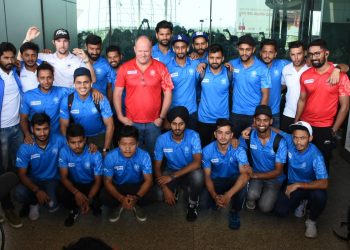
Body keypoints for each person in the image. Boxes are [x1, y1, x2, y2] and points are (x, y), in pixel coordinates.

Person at [295, 39, 350, 171]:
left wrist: (335, 129)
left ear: (326, 53)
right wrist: (297, 122)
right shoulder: (305, 75)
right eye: (311, 54)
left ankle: (319, 190)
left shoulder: (340, 76)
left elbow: (345, 106)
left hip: (326, 127)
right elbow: (302, 100)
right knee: (304, 161)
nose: (314, 57)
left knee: (322, 164)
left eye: (317, 53)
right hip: (306, 125)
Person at [114, 35, 173, 157]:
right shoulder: (125, 68)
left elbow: (168, 93)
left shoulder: (161, 67)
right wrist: (120, 116)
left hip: (154, 123)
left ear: (151, 50)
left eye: (146, 51)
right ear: (135, 49)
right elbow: (117, 93)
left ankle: (154, 176)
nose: (143, 54)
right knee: (134, 156)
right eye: (140, 51)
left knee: (155, 155)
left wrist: (161, 118)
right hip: (131, 122)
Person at [273, 121, 328, 239]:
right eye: (296, 138)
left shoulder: (316, 155)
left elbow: (324, 183)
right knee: (280, 211)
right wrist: (252, 127)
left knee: (320, 196)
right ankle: (301, 202)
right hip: (293, 185)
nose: (298, 142)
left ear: (310, 138)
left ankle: (312, 221)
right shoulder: (289, 140)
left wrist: (298, 184)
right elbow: (276, 130)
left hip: (310, 186)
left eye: (302, 138)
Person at [280, 40, 345, 132]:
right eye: (292, 54)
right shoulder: (286, 69)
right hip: (288, 112)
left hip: (306, 117)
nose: (296, 58)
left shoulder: (314, 66)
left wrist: (337, 69)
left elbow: (345, 67)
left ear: (305, 53)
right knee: (287, 141)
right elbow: (283, 86)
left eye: (299, 54)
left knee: (304, 144)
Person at [154, 106, 203, 221]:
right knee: (159, 194)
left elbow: (197, 163)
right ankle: (174, 190)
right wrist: (165, 189)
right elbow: (156, 167)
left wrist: (172, 177)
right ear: (170, 124)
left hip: (189, 170)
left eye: (181, 124)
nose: (177, 127)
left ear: (185, 124)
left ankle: (192, 204)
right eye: (174, 124)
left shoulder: (194, 136)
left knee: (198, 176)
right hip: (171, 170)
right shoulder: (161, 139)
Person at [201, 118, 251, 230]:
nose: (223, 136)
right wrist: (214, 196)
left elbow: (245, 175)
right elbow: (207, 177)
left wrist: (228, 195)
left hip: (233, 180)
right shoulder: (207, 150)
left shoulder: (239, 150)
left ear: (232, 135)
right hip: (216, 180)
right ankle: (217, 199)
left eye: (227, 133)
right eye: (220, 132)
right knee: (204, 204)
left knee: (243, 183)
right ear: (215, 134)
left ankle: (234, 211)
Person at [14, 113, 64, 221]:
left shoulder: (59, 140)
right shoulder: (25, 147)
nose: (42, 133)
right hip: (34, 179)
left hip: (52, 180)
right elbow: (22, 174)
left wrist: (92, 147)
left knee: (52, 206)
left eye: (45, 129)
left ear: (50, 127)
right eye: (38, 129)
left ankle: (50, 197)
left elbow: (77, 148)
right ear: (32, 129)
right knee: (18, 193)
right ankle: (33, 203)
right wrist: (37, 191)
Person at [239, 105, 287, 213]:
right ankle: (254, 198)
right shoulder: (249, 135)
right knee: (251, 196)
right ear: (254, 121)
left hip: (274, 179)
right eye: (258, 120)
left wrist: (254, 175)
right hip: (256, 175)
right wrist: (245, 164)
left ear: (271, 121)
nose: (261, 124)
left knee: (265, 208)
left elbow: (278, 171)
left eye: (265, 120)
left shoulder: (280, 141)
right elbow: (239, 147)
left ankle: (272, 194)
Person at [101, 125, 153, 222]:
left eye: (132, 144)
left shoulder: (144, 155)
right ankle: (122, 204)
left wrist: (136, 197)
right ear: (118, 144)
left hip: (137, 186)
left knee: (155, 193)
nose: (127, 148)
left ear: (137, 144)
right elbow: (107, 181)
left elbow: (148, 180)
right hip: (119, 186)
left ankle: (134, 203)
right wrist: (121, 198)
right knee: (103, 196)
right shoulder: (111, 156)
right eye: (123, 144)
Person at [60, 67, 114, 153]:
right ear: (74, 84)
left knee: (105, 162)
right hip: (78, 138)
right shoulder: (67, 100)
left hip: (100, 137)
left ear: (91, 83)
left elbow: (110, 125)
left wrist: (106, 149)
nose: (82, 86)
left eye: (86, 82)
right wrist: (68, 144)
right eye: (79, 83)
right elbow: (64, 126)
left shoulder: (101, 99)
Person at [58, 123, 103, 227]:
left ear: (85, 139)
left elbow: (98, 181)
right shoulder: (64, 152)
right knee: (60, 191)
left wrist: (89, 199)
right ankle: (74, 209)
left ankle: (91, 204)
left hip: (91, 184)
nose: (77, 146)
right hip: (75, 184)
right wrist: (76, 193)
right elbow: (64, 177)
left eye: (80, 142)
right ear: (67, 142)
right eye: (73, 142)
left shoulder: (95, 154)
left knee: (102, 197)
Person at [23, 26, 96, 88]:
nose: (62, 44)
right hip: (53, 100)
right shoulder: (46, 57)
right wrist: (27, 40)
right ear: (53, 42)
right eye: (58, 41)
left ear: (69, 42)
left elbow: (93, 80)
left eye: (65, 41)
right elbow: (24, 55)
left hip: (71, 99)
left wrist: (86, 60)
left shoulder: (77, 60)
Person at [228, 35, 271, 136]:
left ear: (254, 49)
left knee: (252, 146)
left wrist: (259, 117)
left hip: (253, 114)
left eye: (248, 50)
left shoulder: (262, 68)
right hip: (236, 113)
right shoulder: (232, 64)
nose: (244, 53)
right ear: (238, 49)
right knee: (234, 144)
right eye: (241, 49)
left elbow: (265, 95)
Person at [0, 42, 23, 228]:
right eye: (5, 58)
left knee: (17, 165)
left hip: (17, 128)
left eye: (11, 57)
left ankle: (18, 198)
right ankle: (7, 208)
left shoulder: (15, 72)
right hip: (1, 131)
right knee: (3, 169)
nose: (9, 61)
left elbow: (28, 56)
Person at [20, 62, 71, 142]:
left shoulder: (62, 91)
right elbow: (23, 118)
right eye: (42, 78)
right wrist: (27, 135)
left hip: (57, 137)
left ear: (53, 77)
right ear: (37, 79)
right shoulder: (28, 95)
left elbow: (80, 90)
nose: (46, 81)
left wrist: (93, 89)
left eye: (49, 77)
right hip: (37, 138)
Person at [197, 44, 233, 147]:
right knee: (204, 149)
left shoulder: (229, 73)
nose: (214, 61)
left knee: (222, 149)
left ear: (223, 58)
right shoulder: (201, 72)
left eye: (218, 58)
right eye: (211, 58)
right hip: (204, 119)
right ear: (207, 58)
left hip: (223, 120)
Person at [166, 34, 200, 130]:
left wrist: (203, 64)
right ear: (173, 48)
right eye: (177, 47)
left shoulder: (195, 63)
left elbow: (205, 75)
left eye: (183, 47)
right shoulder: (167, 67)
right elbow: (164, 92)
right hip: (173, 112)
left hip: (191, 111)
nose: (180, 50)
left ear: (188, 48)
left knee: (191, 140)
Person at [259, 39, 289, 128]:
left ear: (275, 54)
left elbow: (303, 65)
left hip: (274, 112)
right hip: (256, 112)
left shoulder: (282, 64)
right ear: (260, 53)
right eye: (264, 52)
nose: (267, 55)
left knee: (275, 140)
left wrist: (333, 69)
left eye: (270, 52)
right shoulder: (254, 66)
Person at [85, 34, 115, 100]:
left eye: (97, 49)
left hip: (101, 103)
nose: (95, 52)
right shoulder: (79, 62)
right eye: (92, 49)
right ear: (86, 46)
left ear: (101, 47)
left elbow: (110, 87)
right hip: (81, 104)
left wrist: (108, 105)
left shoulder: (106, 64)